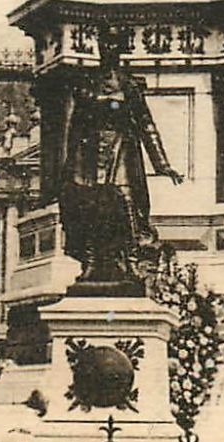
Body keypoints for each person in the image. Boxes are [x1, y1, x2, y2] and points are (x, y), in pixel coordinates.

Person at [60, 32, 183, 285]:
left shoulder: (129, 85)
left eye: (114, 45)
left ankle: (131, 262)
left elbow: (146, 124)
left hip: (122, 148)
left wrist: (162, 164)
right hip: (90, 152)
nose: (109, 50)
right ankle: (91, 264)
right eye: (105, 45)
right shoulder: (85, 82)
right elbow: (75, 126)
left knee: (126, 204)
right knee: (90, 206)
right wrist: (70, 165)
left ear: (121, 49)